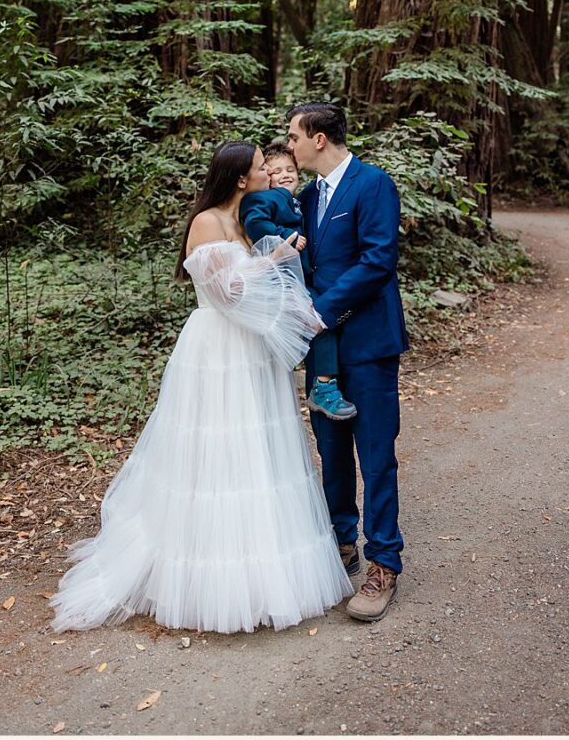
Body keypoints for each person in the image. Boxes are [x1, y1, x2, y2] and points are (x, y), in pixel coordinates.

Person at [50, 141, 352, 634]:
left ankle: (263, 568)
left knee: (257, 450)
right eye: (260, 167)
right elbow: (226, 292)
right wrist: (271, 259)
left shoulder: (244, 219)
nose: (269, 173)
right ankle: (208, 575)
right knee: (215, 451)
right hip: (218, 349)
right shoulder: (208, 222)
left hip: (252, 351)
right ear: (239, 178)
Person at [287, 102, 408, 623]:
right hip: (322, 348)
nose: (288, 144)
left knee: (376, 453)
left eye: (293, 135)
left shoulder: (372, 183)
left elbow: (379, 259)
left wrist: (322, 310)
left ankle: (384, 559)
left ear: (318, 138)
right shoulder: (305, 196)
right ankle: (342, 542)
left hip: (369, 341)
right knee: (331, 449)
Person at [242, 143, 356, 421]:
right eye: (276, 170)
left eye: (290, 169)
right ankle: (324, 386)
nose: (284, 175)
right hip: (283, 278)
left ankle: (323, 383)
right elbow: (254, 223)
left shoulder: (297, 200)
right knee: (319, 319)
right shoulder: (264, 199)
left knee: (324, 321)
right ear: (265, 176)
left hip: (301, 277)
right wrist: (283, 235)